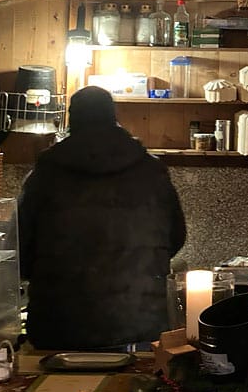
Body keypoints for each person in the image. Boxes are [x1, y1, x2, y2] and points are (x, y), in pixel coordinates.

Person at [18, 86, 186, 350]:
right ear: (113, 116)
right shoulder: (151, 171)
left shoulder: (46, 174)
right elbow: (176, 238)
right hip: (141, 324)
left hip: (59, 327)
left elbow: (20, 251)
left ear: (72, 119)